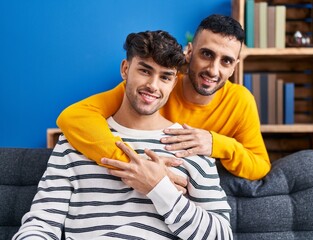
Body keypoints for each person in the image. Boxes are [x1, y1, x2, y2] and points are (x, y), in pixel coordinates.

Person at [13, 30, 232, 239]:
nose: (152, 86)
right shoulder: (75, 141)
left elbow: (222, 235)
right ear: (125, 69)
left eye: (165, 77)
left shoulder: (189, 146)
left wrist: (160, 189)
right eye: (145, 71)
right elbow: (41, 224)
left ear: (174, 82)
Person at [57, 14, 270, 180]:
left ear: (234, 67)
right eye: (206, 54)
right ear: (189, 52)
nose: (213, 70)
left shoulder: (240, 101)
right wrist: (133, 165)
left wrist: (216, 143)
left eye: (226, 61)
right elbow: (74, 116)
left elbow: (259, 165)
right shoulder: (158, 86)